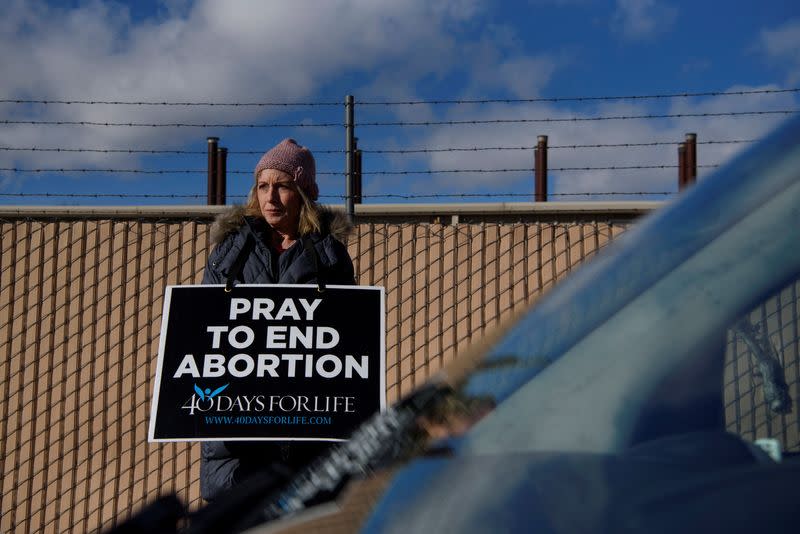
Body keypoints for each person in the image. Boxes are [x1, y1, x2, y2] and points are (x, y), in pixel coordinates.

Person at [199, 138, 356, 503]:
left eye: (282, 186)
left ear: (304, 192)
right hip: (236, 450)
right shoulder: (228, 254)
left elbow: (341, 342)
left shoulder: (330, 257)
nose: (270, 197)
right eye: (263, 186)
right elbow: (205, 338)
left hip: (304, 443)